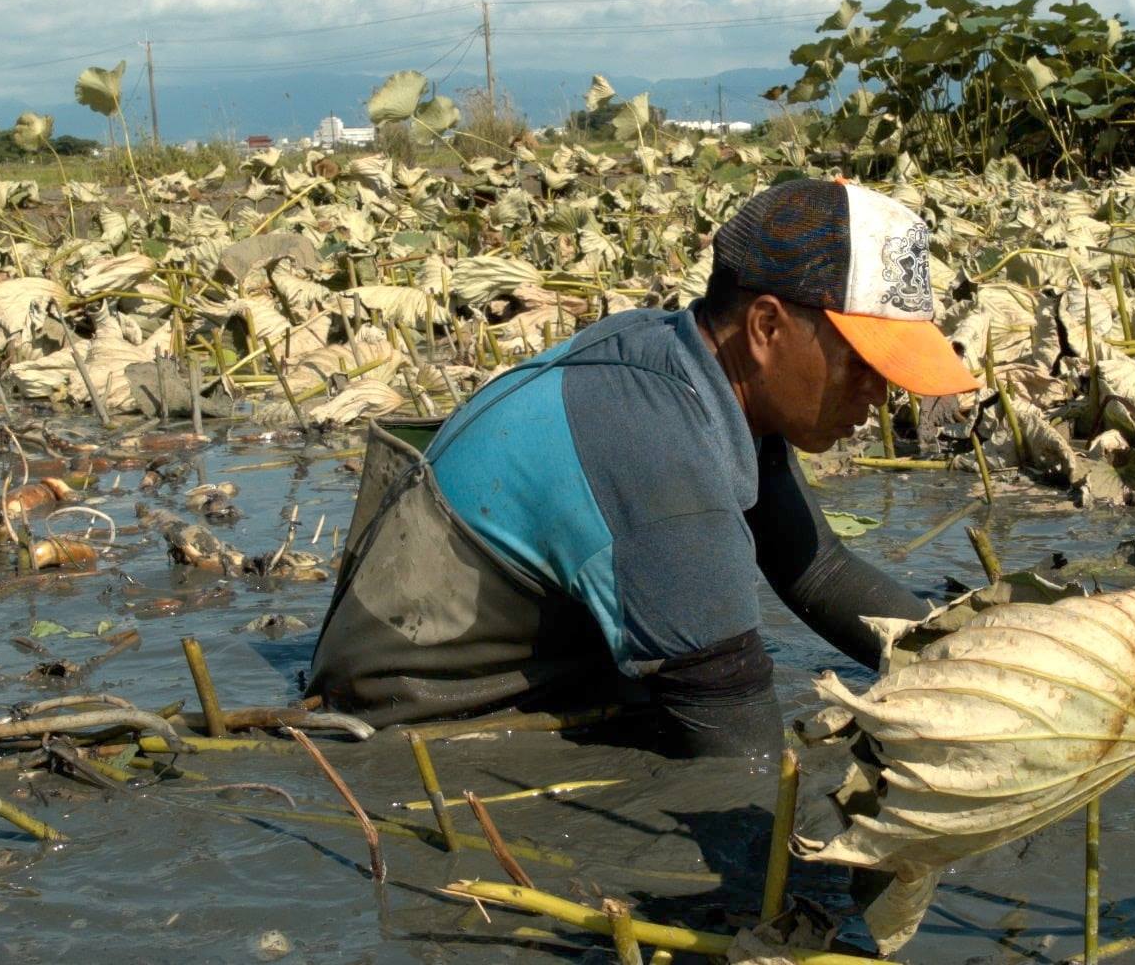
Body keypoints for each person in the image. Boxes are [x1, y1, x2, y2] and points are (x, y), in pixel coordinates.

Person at [306, 177, 980, 757]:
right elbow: (741, 752)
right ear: (767, 328)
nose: (880, 395)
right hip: (420, 733)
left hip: (536, 681)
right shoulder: (656, 450)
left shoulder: (693, 366)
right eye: (862, 365)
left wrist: (988, 670)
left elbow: (819, 570)